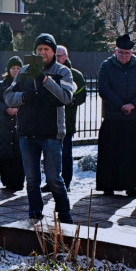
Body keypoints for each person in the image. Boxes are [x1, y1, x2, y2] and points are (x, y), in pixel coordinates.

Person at [5, 33, 75, 222]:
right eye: (39, 49)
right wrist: (24, 98)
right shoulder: (24, 71)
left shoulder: (63, 72)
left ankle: (64, 212)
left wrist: (45, 80)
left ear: (53, 52)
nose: (43, 53)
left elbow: (66, 98)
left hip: (51, 133)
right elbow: (8, 96)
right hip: (27, 133)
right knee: (32, 180)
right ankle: (34, 213)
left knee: (54, 178)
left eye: (46, 49)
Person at [96, 33, 136, 197]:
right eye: (121, 53)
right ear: (115, 51)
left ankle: (131, 185)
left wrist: (132, 104)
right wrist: (120, 105)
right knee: (109, 153)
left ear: (132, 53)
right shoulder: (107, 65)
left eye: (127, 53)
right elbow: (104, 89)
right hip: (112, 117)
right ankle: (108, 185)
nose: (124, 56)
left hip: (132, 118)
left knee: (132, 153)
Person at [0, 56, 23, 191]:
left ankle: (19, 181)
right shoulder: (1, 85)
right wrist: (6, 109)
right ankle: (7, 181)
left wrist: (18, 109)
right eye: (13, 68)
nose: (15, 71)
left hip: (20, 123)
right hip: (4, 124)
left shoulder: (24, 83)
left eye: (18, 68)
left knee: (19, 153)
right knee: (5, 154)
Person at [56, 46, 87, 190]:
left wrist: (71, 100)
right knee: (50, 155)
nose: (57, 59)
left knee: (66, 154)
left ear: (66, 56)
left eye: (60, 56)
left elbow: (82, 95)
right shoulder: (47, 72)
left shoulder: (75, 75)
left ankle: (66, 182)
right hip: (49, 123)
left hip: (67, 122)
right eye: (55, 55)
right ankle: (52, 182)